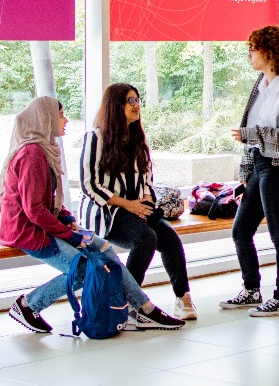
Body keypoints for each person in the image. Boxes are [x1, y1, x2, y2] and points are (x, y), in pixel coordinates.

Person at [0, 96, 182, 333]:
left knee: (104, 250)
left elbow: (50, 201)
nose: (65, 120)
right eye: (61, 115)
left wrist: (69, 220)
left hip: (48, 225)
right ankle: (29, 305)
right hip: (30, 232)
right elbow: (34, 210)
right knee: (84, 269)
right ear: (45, 119)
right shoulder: (32, 154)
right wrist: (69, 234)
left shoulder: (44, 150)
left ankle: (144, 308)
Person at [79, 83, 196, 321]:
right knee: (146, 237)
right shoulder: (95, 138)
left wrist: (145, 200)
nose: (136, 106)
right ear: (115, 106)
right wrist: (128, 204)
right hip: (108, 212)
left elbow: (147, 179)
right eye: (130, 101)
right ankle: (128, 301)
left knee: (170, 237)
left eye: (137, 100)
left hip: (135, 209)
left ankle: (182, 297)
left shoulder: (138, 138)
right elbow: (88, 184)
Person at [220, 26, 279, 317]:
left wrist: (254, 135)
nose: (249, 53)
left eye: (253, 48)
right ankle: (251, 290)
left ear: (269, 53)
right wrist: (244, 175)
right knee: (241, 231)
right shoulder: (260, 86)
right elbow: (252, 139)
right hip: (261, 166)